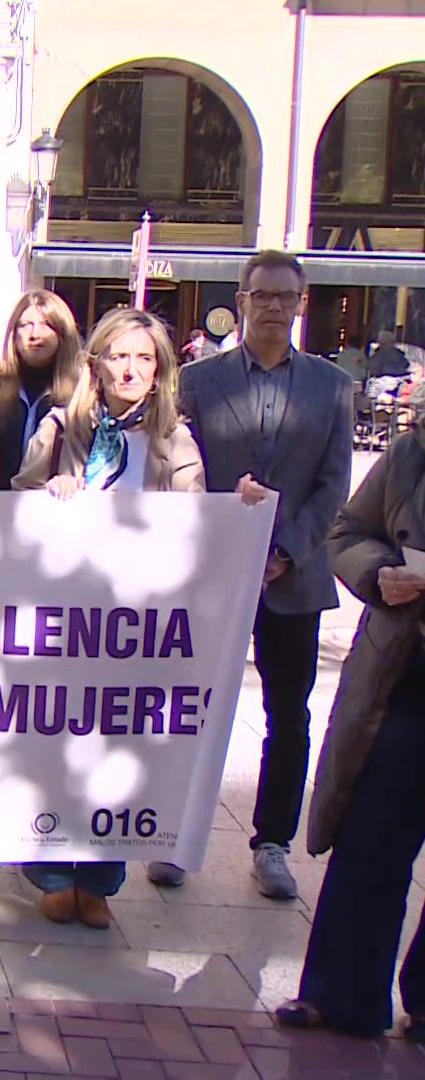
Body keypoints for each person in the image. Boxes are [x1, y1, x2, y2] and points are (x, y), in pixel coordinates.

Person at [11, 308, 243, 928]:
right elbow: (16, 500)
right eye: (119, 356)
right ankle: (53, 873)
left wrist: (243, 510)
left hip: (137, 622)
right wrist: (49, 493)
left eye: (144, 358)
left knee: (119, 747)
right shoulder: (60, 426)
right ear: (97, 365)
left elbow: (196, 518)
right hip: (67, 615)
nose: (131, 369)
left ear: (160, 370)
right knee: (59, 742)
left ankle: (100, 880)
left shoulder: (175, 440)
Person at [150, 250, 355, 898]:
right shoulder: (196, 381)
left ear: (300, 304)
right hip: (210, 575)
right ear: (240, 301)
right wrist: (224, 546)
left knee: (288, 715)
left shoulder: (331, 386)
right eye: (261, 295)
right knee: (192, 706)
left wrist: (284, 552)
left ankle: (272, 843)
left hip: (292, 579)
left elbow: (333, 485)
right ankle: (174, 834)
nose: (272, 307)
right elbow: (178, 469)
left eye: (284, 297)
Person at [274, 422, 425, 1041]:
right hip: (404, 675)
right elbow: (349, 532)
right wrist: (381, 572)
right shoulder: (414, 450)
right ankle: (342, 995)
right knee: (371, 836)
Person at [0, 290, 84, 490]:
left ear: (63, 334)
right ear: (14, 334)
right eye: (26, 325)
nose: (35, 334)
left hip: (54, 504)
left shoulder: (81, 396)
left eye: (46, 325)